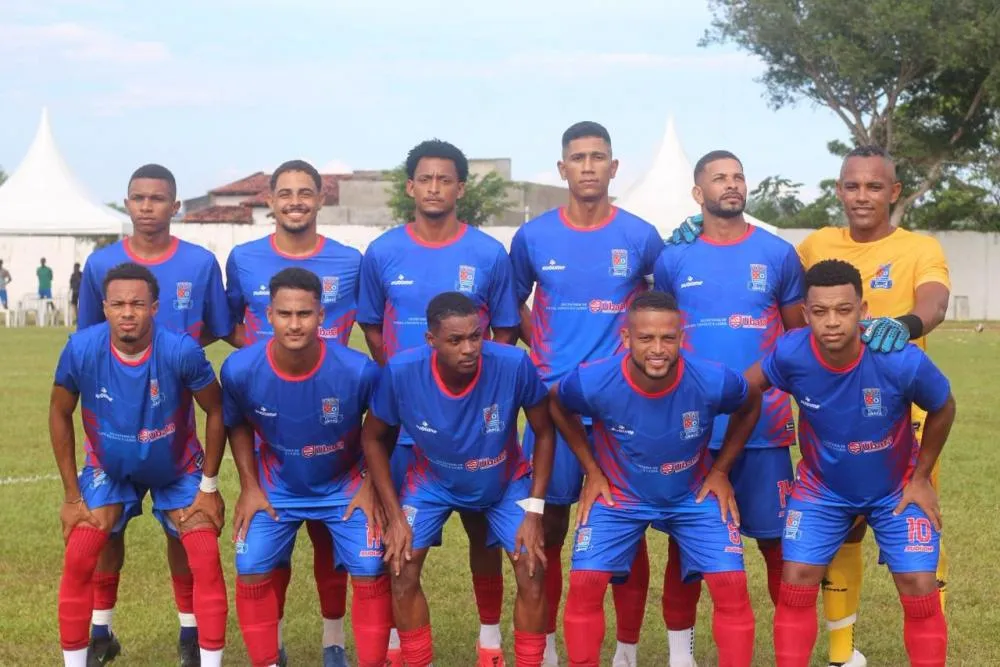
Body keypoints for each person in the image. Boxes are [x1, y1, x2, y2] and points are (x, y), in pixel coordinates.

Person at [356, 139, 520, 665]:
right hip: (405, 427)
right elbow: (372, 327)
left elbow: (505, 332)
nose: (433, 188)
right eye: (424, 179)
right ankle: (399, 645)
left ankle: (490, 642)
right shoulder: (382, 251)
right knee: (397, 540)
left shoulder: (488, 254)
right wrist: (409, 385)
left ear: (460, 188)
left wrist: (476, 394)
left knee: (484, 534)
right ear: (410, 186)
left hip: (474, 427)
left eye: (444, 179)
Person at [508, 120, 664, 667]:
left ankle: (626, 651)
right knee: (547, 524)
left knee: (626, 527)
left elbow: (663, 306)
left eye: (598, 157)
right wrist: (543, 346)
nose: (589, 166)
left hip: (621, 407)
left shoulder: (641, 236)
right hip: (552, 409)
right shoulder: (533, 237)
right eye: (578, 158)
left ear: (614, 167)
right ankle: (547, 645)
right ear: (562, 168)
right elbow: (512, 304)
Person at [748, 259, 954, 667]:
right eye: (820, 311)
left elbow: (944, 406)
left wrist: (921, 477)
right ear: (805, 313)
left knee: (918, 583)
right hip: (821, 489)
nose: (832, 322)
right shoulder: (791, 352)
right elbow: (744, 387)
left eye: (844, 310)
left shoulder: (899, 358)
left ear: (863, 310)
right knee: (796, 579)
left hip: (896, 487)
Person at [797, 146, 952, 667]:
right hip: (833, 413)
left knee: (918, 524)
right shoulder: (816, 245)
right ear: (839, 190)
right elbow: (774, 286)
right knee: (844, 527)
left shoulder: (918, 247)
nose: (862, 196)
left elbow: (935, 302)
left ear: (894, 192)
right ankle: (843, 655)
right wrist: (701, 230)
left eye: (874, 186)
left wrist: (903, 326)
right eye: (852, 186)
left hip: (903, 417)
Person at [548, 291, 759, 667]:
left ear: (682, 338)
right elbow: (557, 403)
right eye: (646, 338)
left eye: (668, 338)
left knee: (731, 585)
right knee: (584, 584)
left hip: (693, 495)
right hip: (620, 497)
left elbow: (751, 401)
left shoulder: (712, 379)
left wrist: (721, 470)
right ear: (626, 338)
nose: (658, 349)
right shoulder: (594, 379)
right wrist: (592, 470)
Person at [652, 151, 805, 667]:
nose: (732, 184)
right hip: (692, 432)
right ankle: (681, 657)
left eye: (738, 176)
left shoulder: (778, 253)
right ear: (699, 193)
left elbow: (797, 340)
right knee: (686, 549)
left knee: (778, 547)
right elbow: (657, 334)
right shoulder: (674, 258)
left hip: (765, 430)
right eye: (719, 178)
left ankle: (789, 654)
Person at [75, 163, 232, 666]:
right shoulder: (101, 263)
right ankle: (101, 630)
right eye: (139, 198)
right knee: (106, 527)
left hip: (174, 421)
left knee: (182, 528)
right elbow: (88, 339)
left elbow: (217, 327)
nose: (148, 207)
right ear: (126, 203)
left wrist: (173, 360)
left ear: (175, 206)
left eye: (158, 198)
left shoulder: (200, 263)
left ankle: (190, 633)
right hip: (113, 422)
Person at [361, 292, 555, 667]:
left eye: (475, 336)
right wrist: (395, 516)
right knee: (400, 564)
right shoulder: (401, 372)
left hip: (503, 482)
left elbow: (545, 432)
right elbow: (372, 438)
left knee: (532, 567)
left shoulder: (514, 363)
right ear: (431, 340)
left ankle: (516, 656)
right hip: (431, 481)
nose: (469, 348)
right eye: (455, 340)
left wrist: (534, 512)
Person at [50, 262, 228, 667]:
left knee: (202, 549)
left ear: (155, 308)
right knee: (81, 549)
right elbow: (59, 411)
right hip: (109, 466)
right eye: (118, 304)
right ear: (104, 307)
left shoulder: (181, 350)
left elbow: (216, 410)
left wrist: (209, 486)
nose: (127, 312)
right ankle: (94, 643)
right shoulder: (81, 348)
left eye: (137, 304)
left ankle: (196, 644)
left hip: (176, 466)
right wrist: (72, 495)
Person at [224, 159, 361, 665]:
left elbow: (369, 324)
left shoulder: (350, 261)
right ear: (270, 200)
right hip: (270, 418)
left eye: (306, 192)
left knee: (330, 535)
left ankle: (333, 642)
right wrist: (267, 365)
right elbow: (230, 323)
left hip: (330, 412)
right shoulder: (243, 258)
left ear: (321, 198)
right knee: (270, 532)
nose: (296, 201)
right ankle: (274, 642)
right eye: (285, 193)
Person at [222, 268, 391, 667]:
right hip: (276, 484)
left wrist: (370, 486)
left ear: (322, 316)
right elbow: (236, 424)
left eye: (304, 314)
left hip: (344, 485)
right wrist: (249, 486)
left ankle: (348, 651)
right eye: (285, 314)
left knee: (370, 567)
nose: (294, 324)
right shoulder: (239, 369)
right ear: (269, 315)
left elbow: (383, 429)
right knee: (250, 565)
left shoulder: (359, 371)